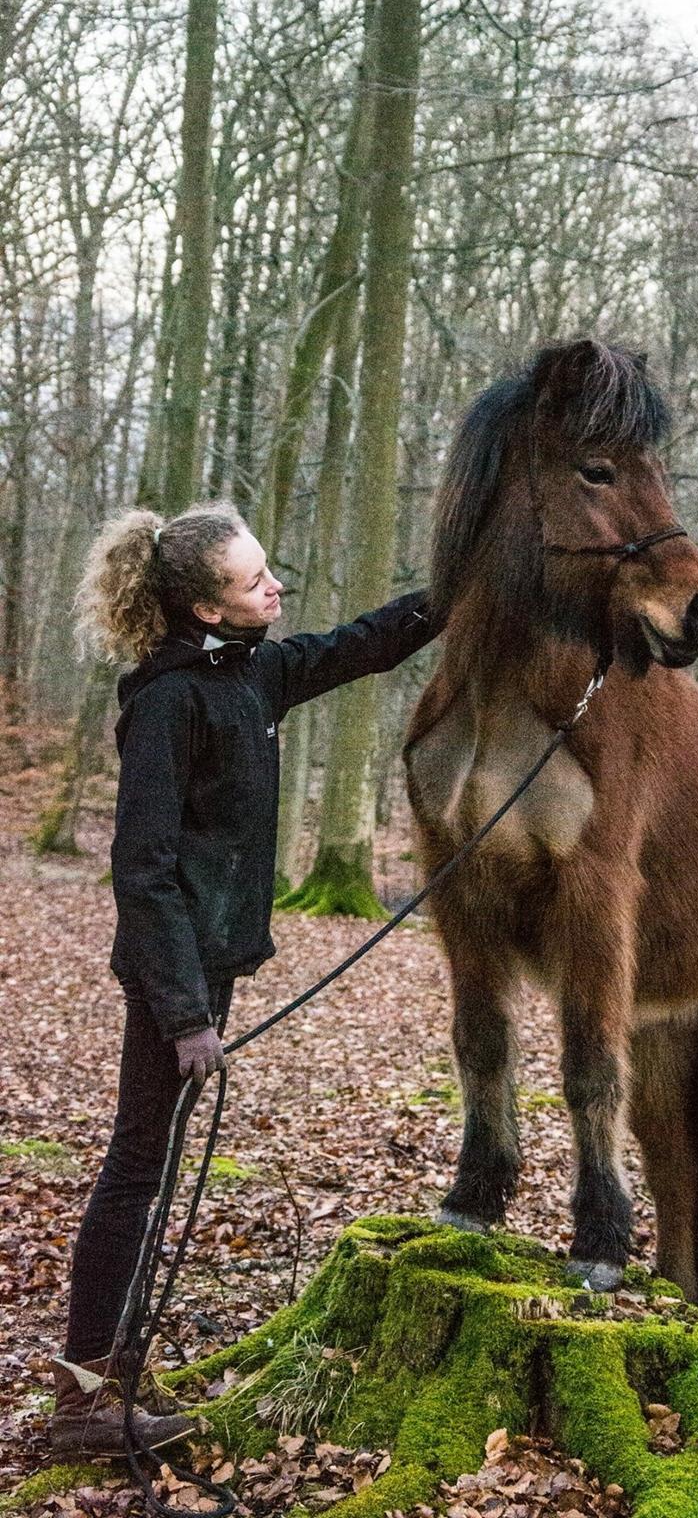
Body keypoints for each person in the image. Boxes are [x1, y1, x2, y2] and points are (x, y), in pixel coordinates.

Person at [50, 499, 443, 1456]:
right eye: (253, 579)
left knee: (154, 1165)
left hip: (210, 962)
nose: (276, 586)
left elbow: (365, 644)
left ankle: (109, 1374)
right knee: (135, 1167)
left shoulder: (254, 671)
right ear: (208, 609)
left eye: (269, 569)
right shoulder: (166, 703)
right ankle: (84, 1405)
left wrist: (465, 590)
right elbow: (142, 872)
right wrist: (185, 1015)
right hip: (169, 970)